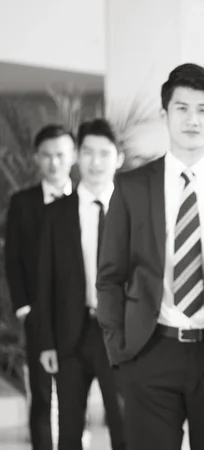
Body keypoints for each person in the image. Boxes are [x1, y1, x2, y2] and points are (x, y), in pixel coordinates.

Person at [96, 63, 204, 450]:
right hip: (149, 349)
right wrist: (118, 348)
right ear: (164, 114)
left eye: (203, 109)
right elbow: (110, 275)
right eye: (182, 108)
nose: (192, 119)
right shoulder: (132, 186)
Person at [37, 119, 126, 450]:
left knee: (124, 427)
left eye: (104, 153)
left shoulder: (132, 211)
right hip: (70, 337)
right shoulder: (56, 213)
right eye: (88, 152)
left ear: (118, 158)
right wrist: (46, 341)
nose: (96, 162)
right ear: (77, 156)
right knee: (70, 431)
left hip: (119, 337)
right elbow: (43, 281)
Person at [5, 124, 76, 450]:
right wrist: (25, 309)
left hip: (81, 316)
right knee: (42, 395)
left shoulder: (87, 201)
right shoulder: (22, 203)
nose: (54, 162)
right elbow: (13, 259)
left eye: (60, 154)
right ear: (36, 158)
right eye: (46, 155)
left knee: (77, 393)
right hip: (38, 315)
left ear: (72, 156)